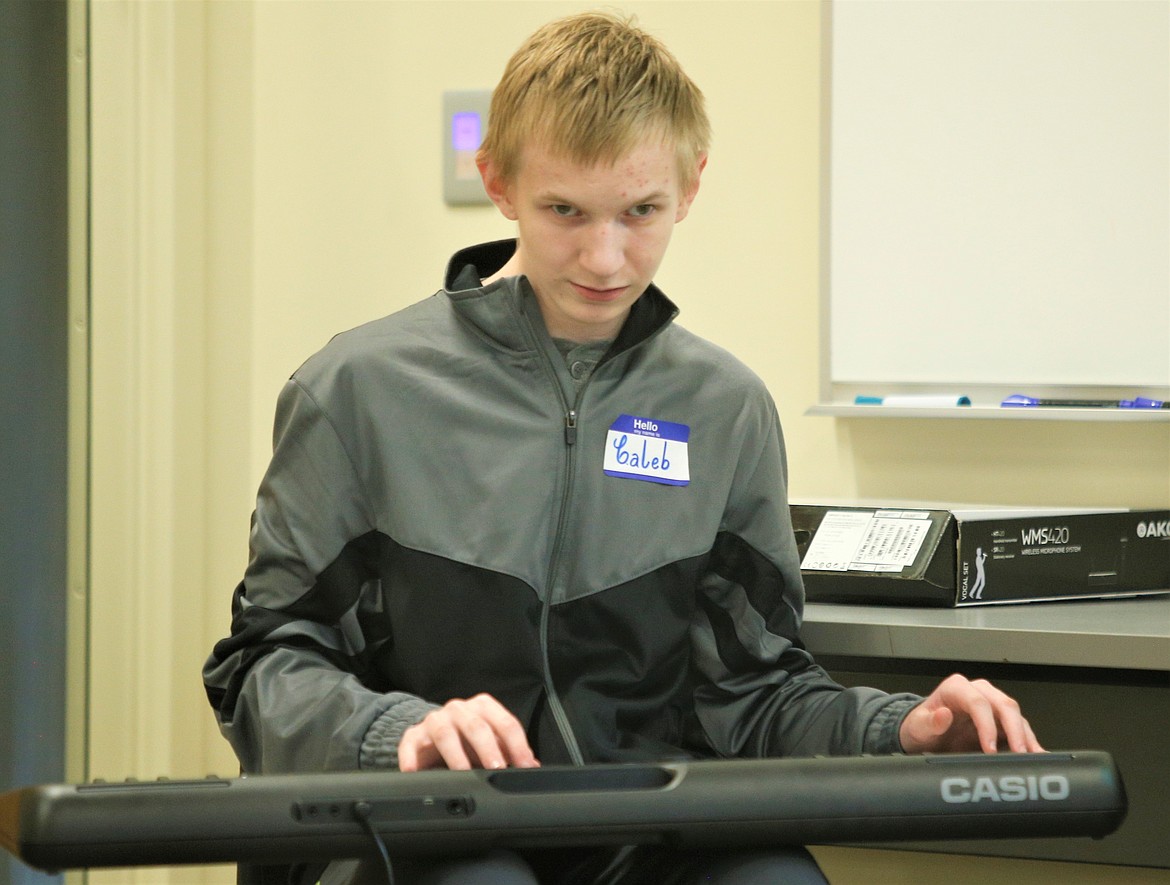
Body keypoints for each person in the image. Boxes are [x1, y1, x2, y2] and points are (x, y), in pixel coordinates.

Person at [203, 12, 1041, 884]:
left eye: (640, 212)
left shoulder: (725, 409)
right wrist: (399, 732)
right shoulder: (355, 390)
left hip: (636, 827)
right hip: (407, 821)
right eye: (564, 210)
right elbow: (266, 667)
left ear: (691, 185)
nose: (605, 258)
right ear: (497, 180)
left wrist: (897, 730)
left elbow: (751, 692)